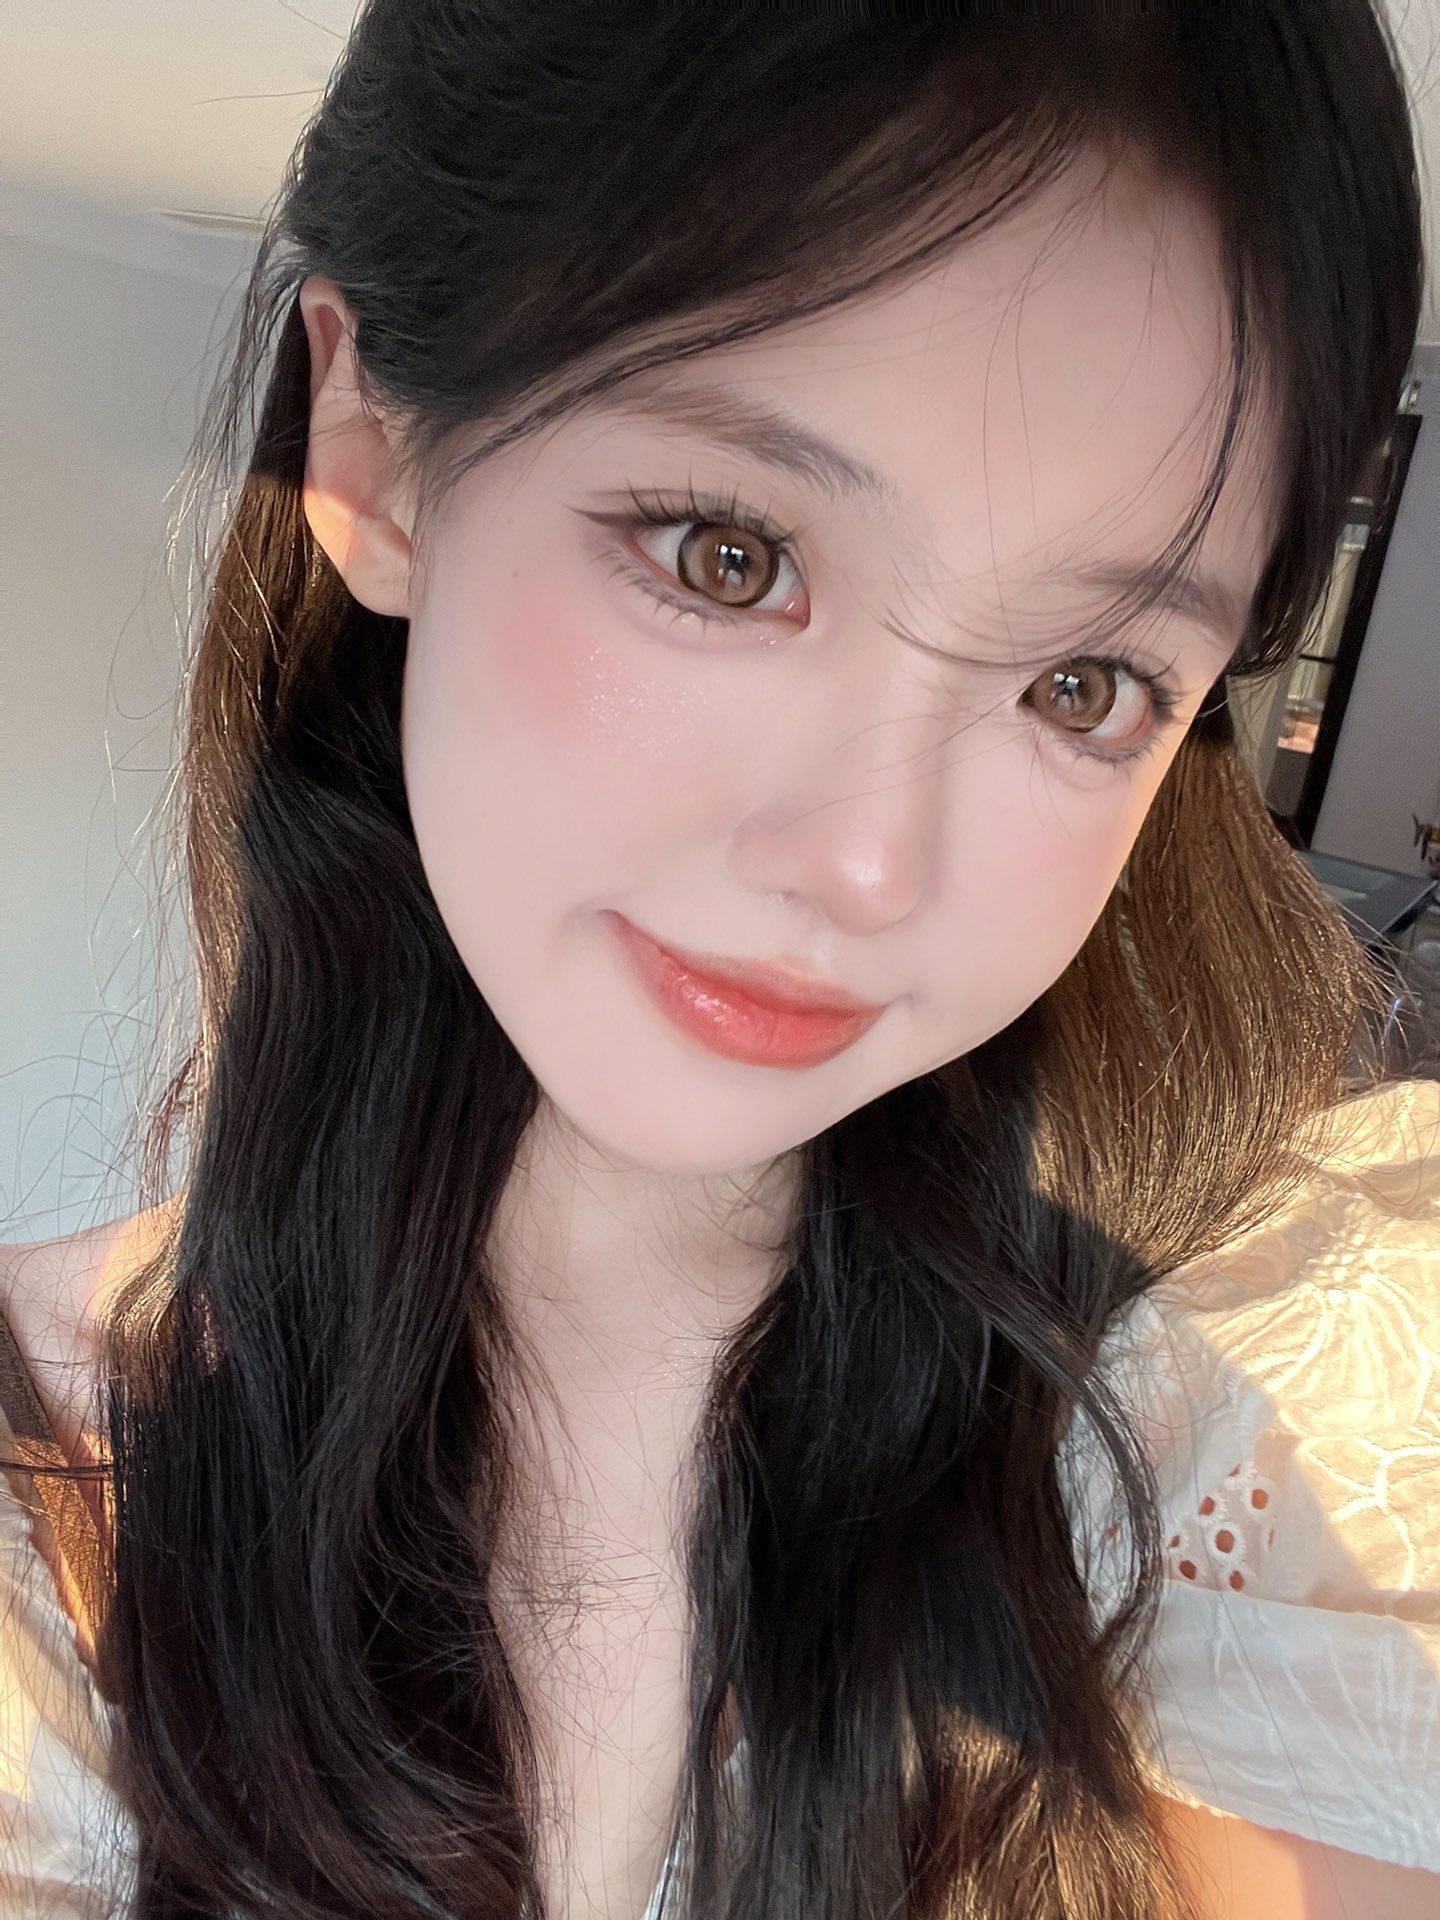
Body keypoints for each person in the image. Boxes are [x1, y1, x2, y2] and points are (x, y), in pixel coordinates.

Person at [1, 5, 1437, 1916]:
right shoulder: (47, 1515)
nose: (866, 868)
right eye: (726, 556)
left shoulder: (1289, 1394)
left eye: (1084, 682)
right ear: (379, 446)